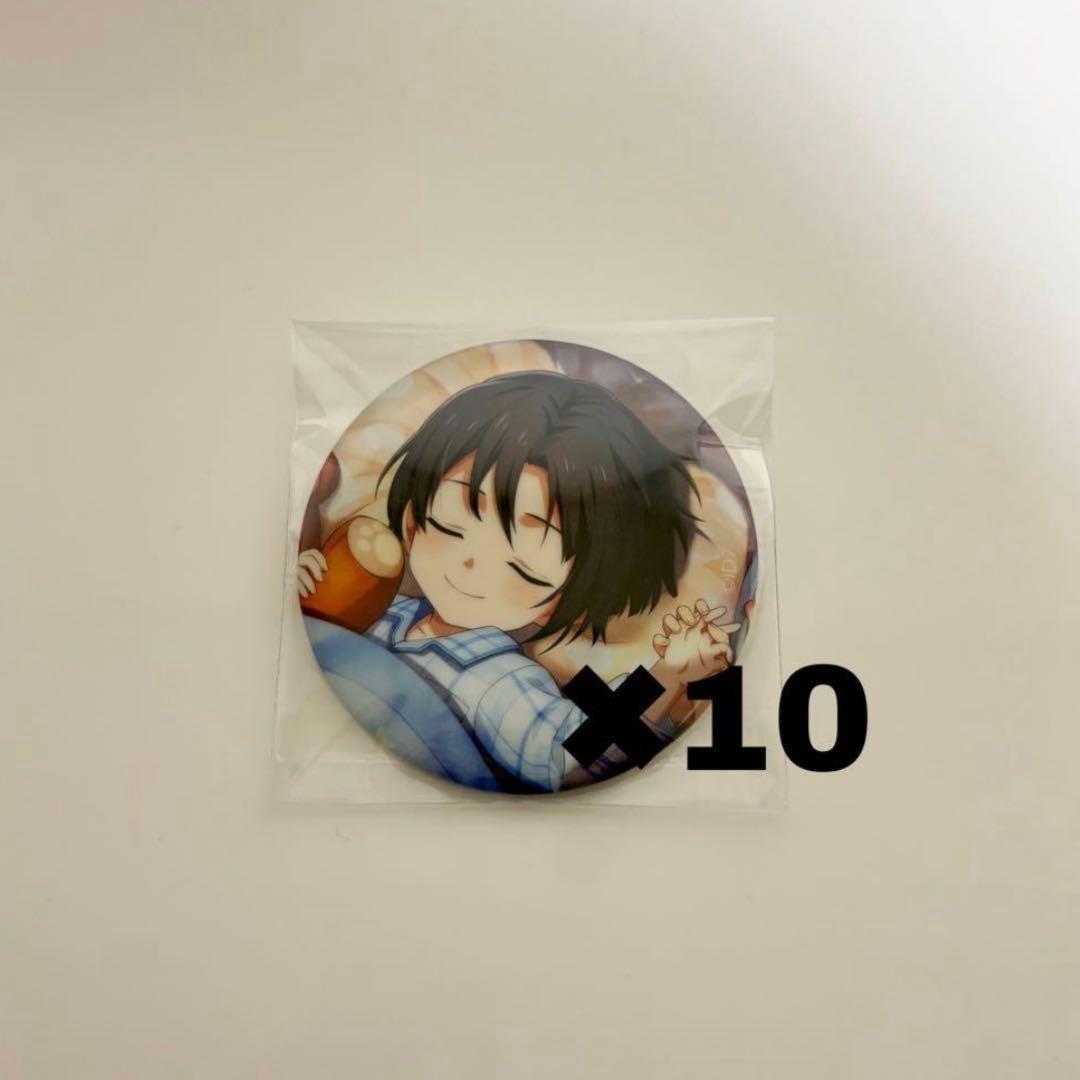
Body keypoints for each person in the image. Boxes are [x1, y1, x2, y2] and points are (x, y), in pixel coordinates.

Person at [298, 371, 739, 792]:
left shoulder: (501, 681)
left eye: (521, 570)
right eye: (449, 527)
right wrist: (301, 590)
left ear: (561, 603)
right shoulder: (386, 610)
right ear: (414, 520)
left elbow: (573, 763)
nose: (470, 563)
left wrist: (664, 677)